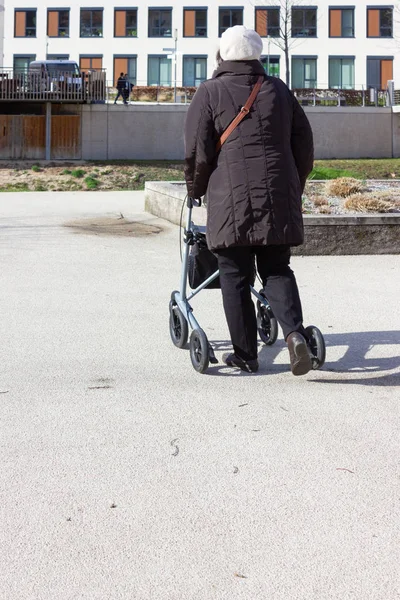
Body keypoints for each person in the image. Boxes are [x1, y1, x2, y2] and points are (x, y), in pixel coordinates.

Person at [184, 26, 314, 375]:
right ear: (257, 54)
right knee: (277, 267)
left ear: (222, 54)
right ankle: (293, 336)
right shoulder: (279, 90)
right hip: (278, 195)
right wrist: (292, 187)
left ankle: (246, 355)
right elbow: (304, 146)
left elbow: (198, 152)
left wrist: (195, 189)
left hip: (230, 200)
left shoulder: (209, 92)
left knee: (234, 274)